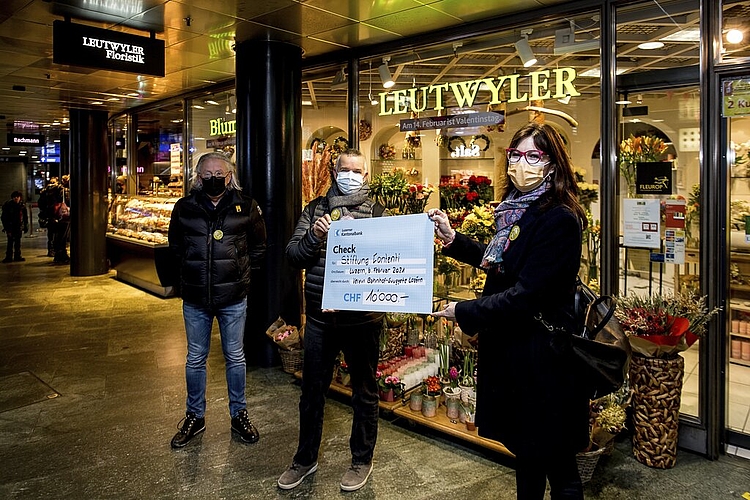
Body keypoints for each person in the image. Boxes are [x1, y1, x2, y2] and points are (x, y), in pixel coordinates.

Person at [429, 123, 589, 500]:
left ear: (552, 164)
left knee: (559, 466)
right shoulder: (518, 211)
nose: (522, 163)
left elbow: (526, 295)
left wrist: (463, 310)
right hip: (521, 355)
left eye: (533, 156)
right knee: (529, 456)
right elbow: (502, 261)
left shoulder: (559, 218)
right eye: (516, 154)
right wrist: (453, 238)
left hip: (546, 361)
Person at [279, 149, 385, 492]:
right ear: (334, 171)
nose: (350, 175)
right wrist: (315, 236)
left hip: (363, 319)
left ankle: (361, 460)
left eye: (357, 170)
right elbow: (293, 256)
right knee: (311, 392)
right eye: (345, 169)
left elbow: (392, 262)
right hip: (322, 320)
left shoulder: (380, 214)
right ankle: (305, 459)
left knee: (365, 394)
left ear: (366, 176)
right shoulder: (315, 210)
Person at [168, 152, 267, 449]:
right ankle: (194, 417)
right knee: (195, 358)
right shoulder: (184, 207)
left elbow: (260, 247)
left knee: (235, 357)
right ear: (198, 177)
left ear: (229, 175)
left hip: (233, 297)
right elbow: (175, 246)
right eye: (207, 174)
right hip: (195, 297)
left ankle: (239, 414)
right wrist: (185, 277)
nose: (213, 178)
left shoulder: (246, 206)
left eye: (219, 173)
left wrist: (243, 276)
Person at [2, 191, 29, 263]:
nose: (16, 198)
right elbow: (4, 218)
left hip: (18, 226)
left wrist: (25, 225)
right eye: (14, 197)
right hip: (10, 226)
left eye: (17, 197)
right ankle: (8, 257)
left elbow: (25, 217)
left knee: (17, 242)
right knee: (10, 242)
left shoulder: (22, 206)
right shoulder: (8, 205)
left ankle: (17, 256)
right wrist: (7, 228)